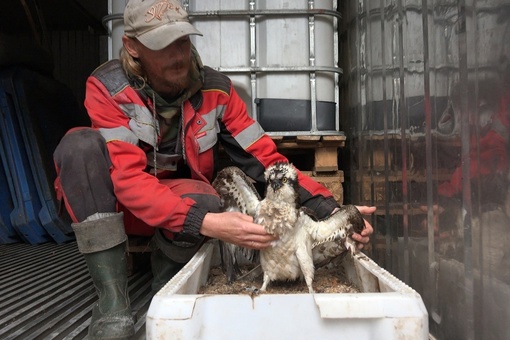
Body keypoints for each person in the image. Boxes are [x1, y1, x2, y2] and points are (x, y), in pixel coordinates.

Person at [53, 0, 375, 338]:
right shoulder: (107, 87)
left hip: (175, 212)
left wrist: (335, 212)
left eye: (182, 40)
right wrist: (205, 223)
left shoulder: (216, 90)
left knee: (207, 199)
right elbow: (127, 180)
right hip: (114, 209)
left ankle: (168, 286)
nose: (178, 54)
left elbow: (267, 160)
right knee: (79, 145)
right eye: (163, 45)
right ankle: (113, 306)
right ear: (132, 47)